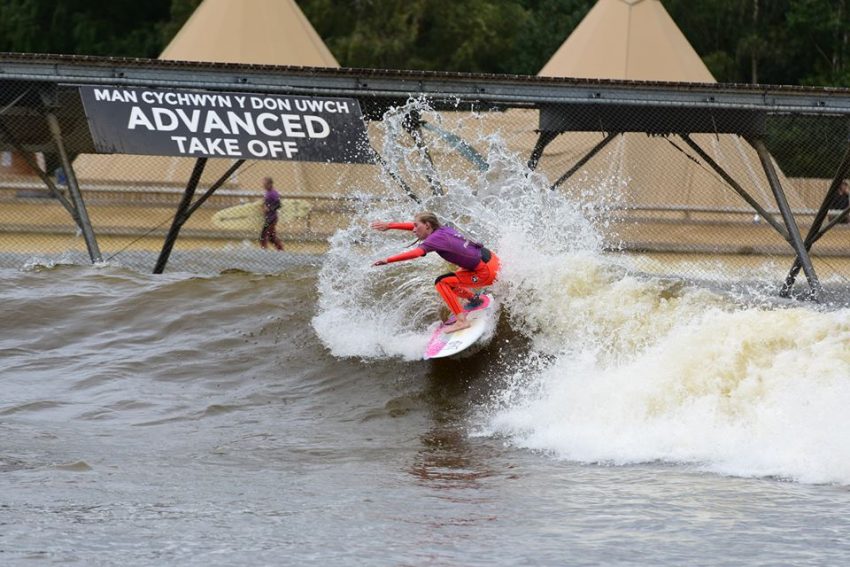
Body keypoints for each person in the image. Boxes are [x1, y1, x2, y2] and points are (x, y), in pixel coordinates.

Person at [371, 212, 500, 333]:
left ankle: (461, 321)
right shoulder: (443, 228)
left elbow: (416, 253)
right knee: (453, 279)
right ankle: (473, 299)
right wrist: (390, 225)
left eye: (416, 226)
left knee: (442, 282)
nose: (414, 230)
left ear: (427, 225)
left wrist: (388, 260)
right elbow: (417, 226)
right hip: (491, 260)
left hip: (486, 272)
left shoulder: (433, 240)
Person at [259, 176, 284, 250]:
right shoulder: (267, 192)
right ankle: (279, 249)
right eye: (263, 184)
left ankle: (266, 249)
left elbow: (278, 204)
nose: (263, 186)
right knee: (269, 236)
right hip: (268, 218)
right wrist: (263, 205)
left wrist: (269, 209)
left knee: (265, 235)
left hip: (272, 219)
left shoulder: (273, 193)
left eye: (265, 184)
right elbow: (267, 202)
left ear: (270, 184)